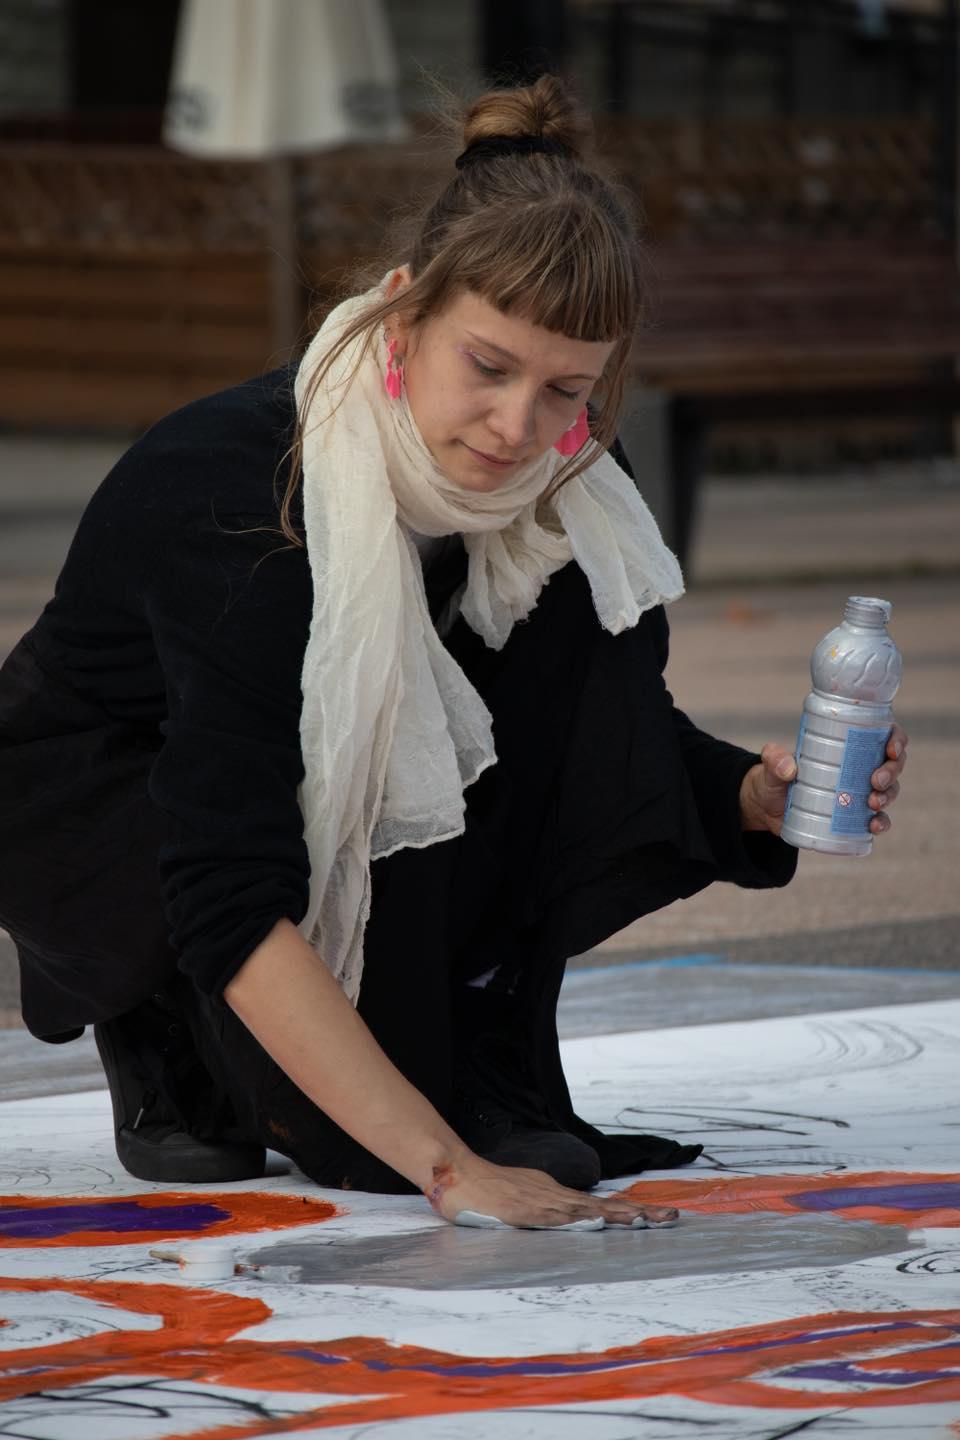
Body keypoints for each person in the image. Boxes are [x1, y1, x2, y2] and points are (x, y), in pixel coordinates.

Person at [0, 77, 906, 1231]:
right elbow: (226, 868)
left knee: (527, 673)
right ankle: (163, 1012)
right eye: (488, 366)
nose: (518, 428)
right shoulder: (245, 496)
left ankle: (425, 1039)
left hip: (265, 815)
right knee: (360, 1137)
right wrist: (442, 1166)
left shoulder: (566, 487)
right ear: (400, 315)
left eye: (567, 389)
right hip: (104, 814)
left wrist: (756, 798)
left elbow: (590, 735)